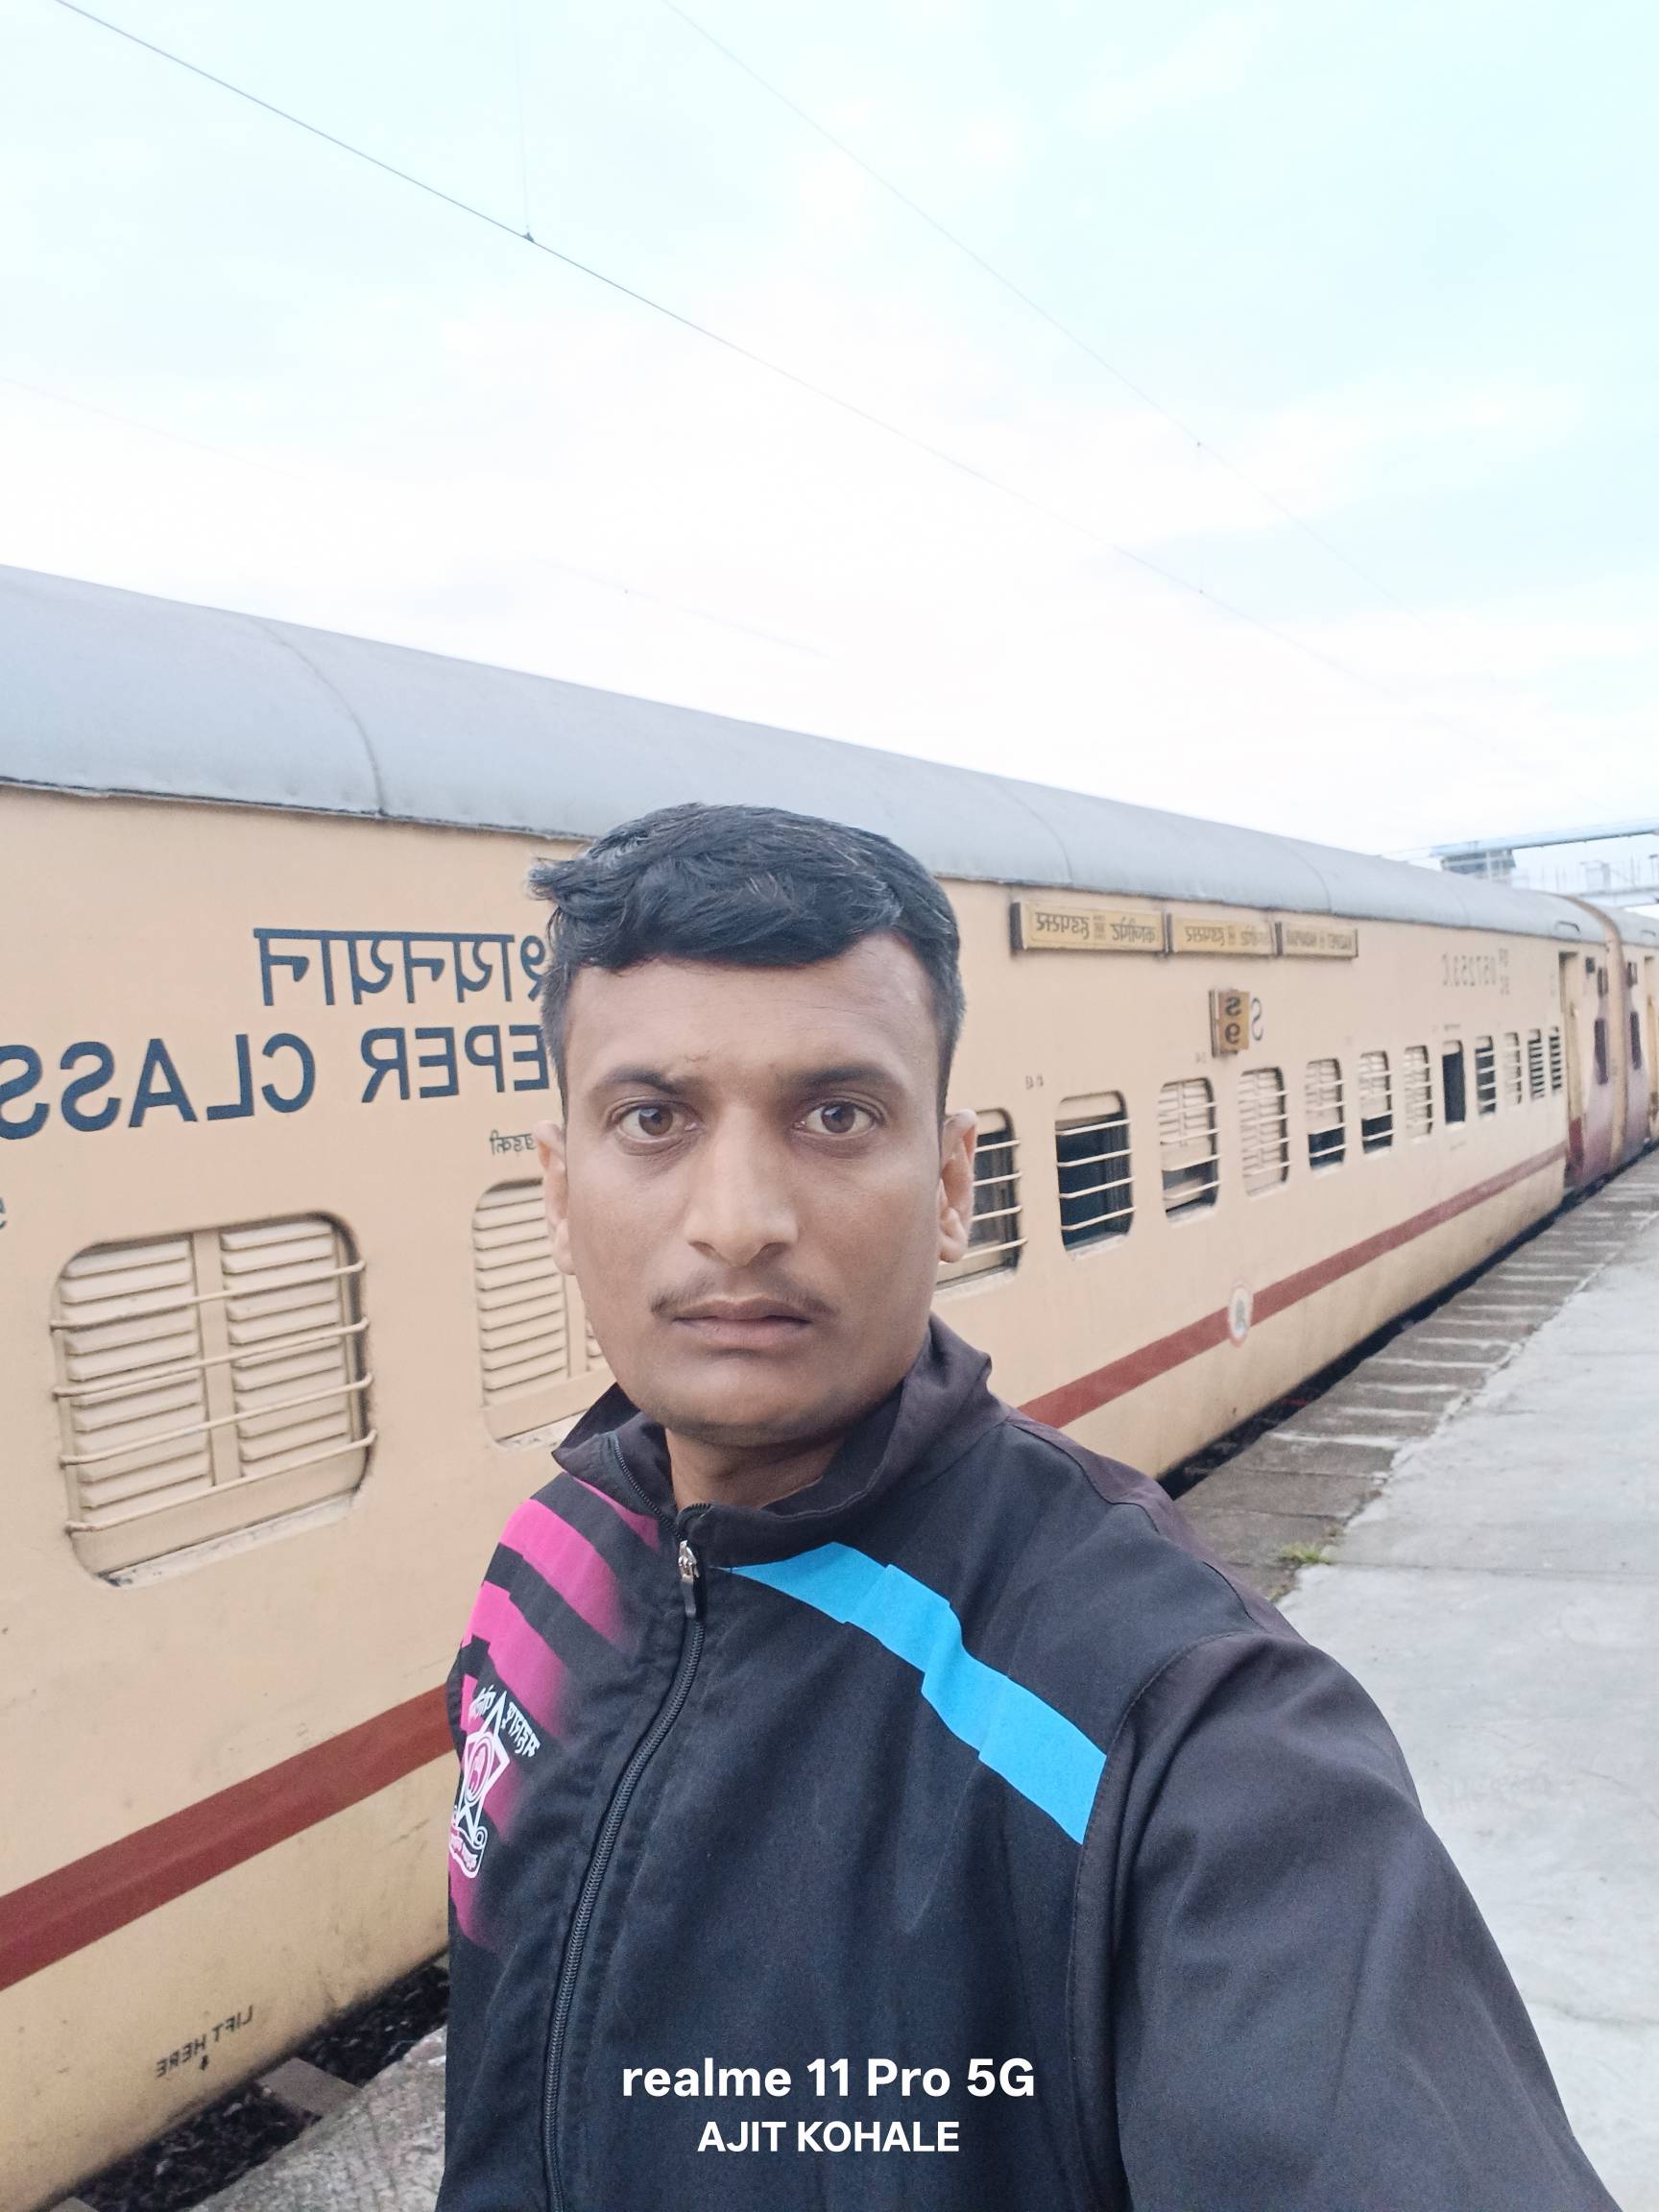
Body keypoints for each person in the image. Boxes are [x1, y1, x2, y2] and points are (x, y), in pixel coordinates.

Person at [438, 802, 1614, 2212]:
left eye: (836, 1116)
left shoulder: (1180, 1724)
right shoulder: (546, 1561)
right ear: (559, 1192)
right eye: (652, 1120)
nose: (739, 1218)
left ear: (951, 1184)